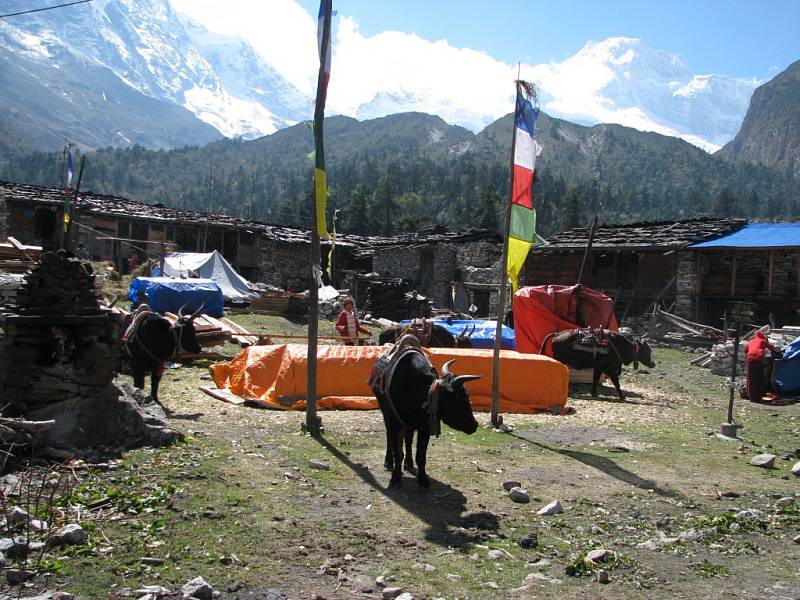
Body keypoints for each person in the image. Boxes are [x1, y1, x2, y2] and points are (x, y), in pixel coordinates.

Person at [745, 330, 775, 402]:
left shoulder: (751, 341)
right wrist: (773, 354)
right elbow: (771, 347)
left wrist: (748, 357)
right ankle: (758, 396)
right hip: (758, 359)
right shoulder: (762, 341)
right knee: (759, 378)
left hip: (750, 360)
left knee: (751, 378)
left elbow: (746, 350)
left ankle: (751, 396)